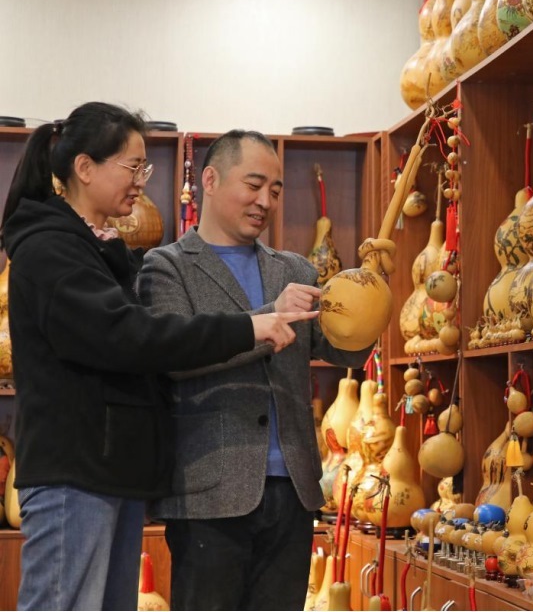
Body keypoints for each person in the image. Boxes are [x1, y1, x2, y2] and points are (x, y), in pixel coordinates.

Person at [0, 102, 316, 611]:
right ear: (85, 168)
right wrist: (251, 326)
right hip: (74, 472)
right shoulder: (50, 249)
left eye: (144, 169)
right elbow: (130, 336)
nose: (140, 182)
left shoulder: (97, 250)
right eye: (132, 167)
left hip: (109, 472)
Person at [136, 129, 373, 610]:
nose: (265, 201)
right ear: (210, 180)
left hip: (293, 489)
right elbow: (172, 358)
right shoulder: (166, 267)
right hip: (208, 492)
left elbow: (345, 352)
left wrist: (373, 292)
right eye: (254, 185)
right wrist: (268, 317)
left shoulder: (296, 270)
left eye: (276, 190)